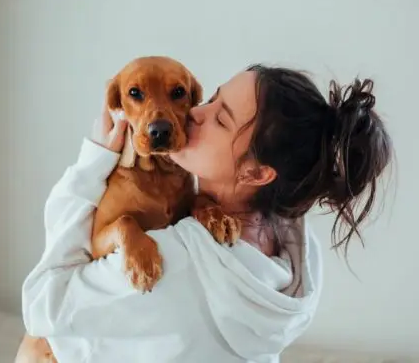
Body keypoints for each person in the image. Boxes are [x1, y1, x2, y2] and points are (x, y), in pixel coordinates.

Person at [20, 64, 393, 362]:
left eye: (221, 119)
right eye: (212, 98)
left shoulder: (176, 261)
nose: (196, 114)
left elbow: (41, 305)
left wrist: (91, 164)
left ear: (257, 173)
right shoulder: (295, 253)